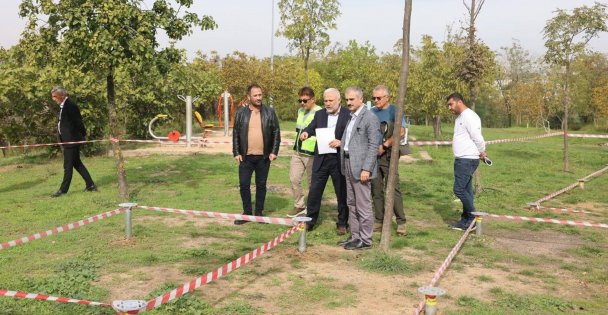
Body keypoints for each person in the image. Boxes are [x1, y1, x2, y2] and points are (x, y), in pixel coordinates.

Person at [299, 88, 350, 234]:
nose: (327, 103)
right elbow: (312, 127)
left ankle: (342, 223)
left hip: (338, 159)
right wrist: (306, 132)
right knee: (314, 191)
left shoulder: (348, 115)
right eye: (326, 100)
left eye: (330, 100)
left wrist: (341, 142)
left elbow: (353, 135)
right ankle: (310, 220)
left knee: (342, 192)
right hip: (321, 158)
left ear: (339, 100)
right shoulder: (320, 114)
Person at [232, 84, 281, 224]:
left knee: (261, 185)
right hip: (245, 157)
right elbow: (235, 133)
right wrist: (236, 152)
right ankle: (247, 213)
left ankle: (259, 213)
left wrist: (274, 151)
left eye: (260, 94)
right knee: (244, 184)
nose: (259, 97)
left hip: (264, 157)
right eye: (255, 95)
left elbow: (276, 132)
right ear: (249, 97)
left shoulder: (269, 112)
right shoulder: (241, 113)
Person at [339, 87, 380, 250]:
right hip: (348, 163)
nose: (348, 103)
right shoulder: (352, 117)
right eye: (347, 100)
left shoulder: (369, 117)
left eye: (351, 100)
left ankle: (366, 239)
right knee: (352, 202)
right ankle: (355, 236)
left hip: (361, 168)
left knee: (363, 204)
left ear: (361, 99)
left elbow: (373, 145)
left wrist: (367, 169)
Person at [370, 85, 408, 236]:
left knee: (392, 188)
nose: (376, 100)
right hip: (373, 156)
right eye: (373, 98)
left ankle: (401, 222)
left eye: (379, 98)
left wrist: (385, 145)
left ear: (387, 98)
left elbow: (401, 131)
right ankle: (379, 220)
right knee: (376, 188)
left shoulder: (394, 111)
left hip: (389, 155)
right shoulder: (371, 112)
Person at [446, 92, 487, 231]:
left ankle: (472, 218)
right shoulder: (460, 117)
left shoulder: (470, 116)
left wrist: (482, 151)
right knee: (467, 190)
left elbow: (477, 136)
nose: (449, 108)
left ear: (459, 102)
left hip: (467, 159)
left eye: (451, 104)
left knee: (458, 189)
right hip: (462, 159)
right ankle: (466, 219)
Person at [51, 87, 96, 197]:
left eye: (54, 97)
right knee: (77, 163)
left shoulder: (70, 105)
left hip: (72, 141)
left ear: (61, 96)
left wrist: (83, 136)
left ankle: (63, 190)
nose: (53, 99)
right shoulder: (64, 106)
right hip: (68, 140)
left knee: (67, 166)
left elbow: (78, 122)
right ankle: (90, 185)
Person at [288, 87, 322, 217]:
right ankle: (299, 206)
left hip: (312, 154)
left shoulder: (320, 112)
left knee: (312, 183)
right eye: (300, 100)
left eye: (305, 100)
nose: (302, 103)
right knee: (294, 179)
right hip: (298, 152)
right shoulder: (300, 111)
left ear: (313, 99)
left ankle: (312, 211)